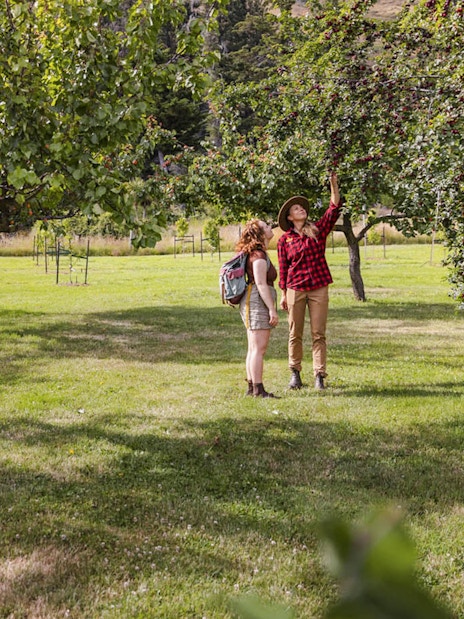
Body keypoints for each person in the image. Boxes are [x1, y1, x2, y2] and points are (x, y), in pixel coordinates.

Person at [277, 172, 340, 391]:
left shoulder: (317, 231)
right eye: (296, 209)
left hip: (318, 287)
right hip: (295, 288)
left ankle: (319, 376)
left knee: (318, 333)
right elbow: (283, 268)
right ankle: (295, 373)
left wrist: (333, 185)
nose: (301, 209)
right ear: (290, 217)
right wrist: (284, 294)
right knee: (295, 333)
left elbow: (333, 210)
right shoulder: (284, 240)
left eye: (302, 207)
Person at [237, 220, 279, 398]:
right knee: (258, 349)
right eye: (267, 226)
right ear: (260, 233)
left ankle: (251, 387)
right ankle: (258, 389)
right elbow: (261, 284)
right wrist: (272, 309)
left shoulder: (256, 253)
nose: (271, 228)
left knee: (253, 348)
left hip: (252, 300)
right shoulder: (259, 256)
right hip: (256, 301)